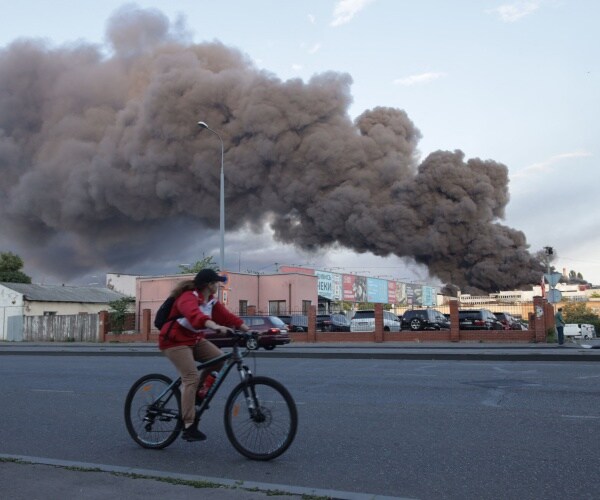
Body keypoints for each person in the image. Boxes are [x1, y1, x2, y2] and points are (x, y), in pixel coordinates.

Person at [158, 269, 249, 442]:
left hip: (194, 339)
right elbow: (194, 316)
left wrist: (248, 331)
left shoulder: (211, 302)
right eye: (217, 282)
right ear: (209, 284)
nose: (219, 285)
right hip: (174, 340)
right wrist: (214, 326)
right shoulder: (188, 297)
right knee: (190, 378)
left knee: (219, 359)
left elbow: (229, 318)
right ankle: (189, 425)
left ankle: (198, 392)